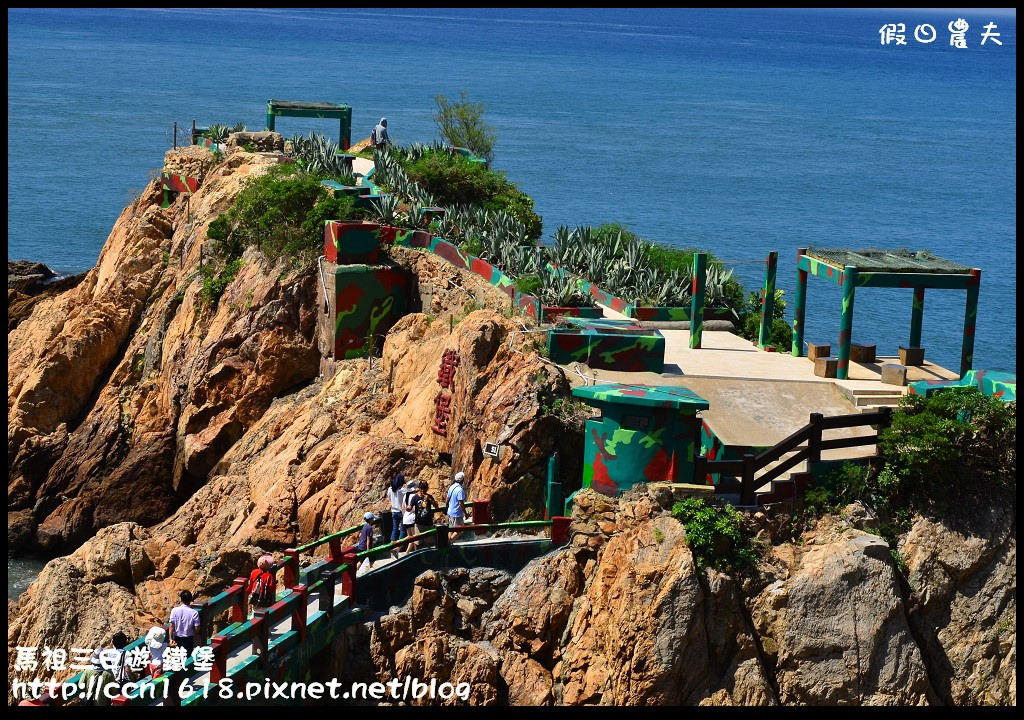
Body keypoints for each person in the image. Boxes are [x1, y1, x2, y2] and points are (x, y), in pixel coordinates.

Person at [407, 481, 440, 551]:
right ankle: (417, 556)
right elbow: (410, 507)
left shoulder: (429, 497)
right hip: (419, 524)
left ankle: (426, 557)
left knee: (428, 543)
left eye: (425, 488)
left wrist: (429, 499)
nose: (423, 490)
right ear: (419, 488)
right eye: (422, 488)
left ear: (427, 488)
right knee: (417, 542)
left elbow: (436, 506)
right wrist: (408, 508)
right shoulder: (415, 497)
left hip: (428, 524)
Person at [167, 590, 201, 657]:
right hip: (188, 638)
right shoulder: (194, 612)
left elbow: (171, 626)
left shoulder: (174, 610)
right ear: (190, 600)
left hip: (177, 638)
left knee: (177, 658)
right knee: (187, 657)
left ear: (181, 599)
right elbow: (197, 627)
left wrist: (171, 639)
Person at [446, 471, 467, 541]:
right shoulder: (460, 490)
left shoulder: (452, 487)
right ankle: (449, 542)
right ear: (462, 480)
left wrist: (447, 508)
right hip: (457, 513)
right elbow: (461, 503)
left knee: (451, 529)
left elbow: (447, 499)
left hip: (450, 512)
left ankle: (449, 542)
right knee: (460, 530)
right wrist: (465, 513)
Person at [400, 479, 419, 554]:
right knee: (415, 537)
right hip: (412, 518)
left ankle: (400, 550)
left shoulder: (405, 496)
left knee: (410, 537)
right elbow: (414, 508)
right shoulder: (414, 496)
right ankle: (416, 552)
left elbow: (403, 508)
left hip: (405, 518)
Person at [387, 473, 407, 544]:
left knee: (394, 529)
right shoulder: (402, 490)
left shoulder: (390, 489)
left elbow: (389, 498)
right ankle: (399, 545)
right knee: (402, 530)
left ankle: (392, 544)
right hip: (402, 512)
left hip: (394, 511)